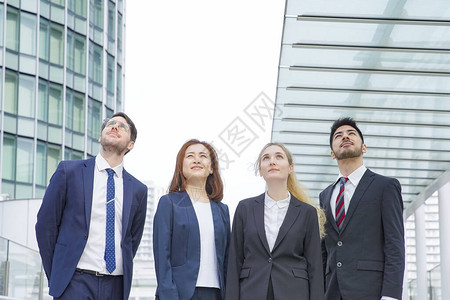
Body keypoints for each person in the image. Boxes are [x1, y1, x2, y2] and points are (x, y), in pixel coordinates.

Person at [35, 112, 148, 300]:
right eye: (110, 124)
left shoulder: (138, 190)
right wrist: (58, 275)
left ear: (131, 145)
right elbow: (45, 227)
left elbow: (131, 240)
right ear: (100, 136)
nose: (115, 127)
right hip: (74, 282)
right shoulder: (68, 172)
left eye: (123, 126)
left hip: (116, 286)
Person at [226, 143, 326, 300]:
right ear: (260, 170)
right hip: (251, 291)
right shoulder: (245, 208)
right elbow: (234, 261)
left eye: (279, 156)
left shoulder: (307, 212)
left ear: (290, 168)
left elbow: (315, 266)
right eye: (266, 158)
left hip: (294, 292)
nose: (272, 161)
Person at [320, 117, 405, 300]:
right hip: (332, 292)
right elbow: (325, 250)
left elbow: (394, 244)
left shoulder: (385, 186)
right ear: (332, 154)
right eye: (338, 135)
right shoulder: (325, 196)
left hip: (371, 291)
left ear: (364, 148)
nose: (345, 137)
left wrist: (391, 295)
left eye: (351, 133)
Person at [153, 139, 230, 300]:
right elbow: (162, 257)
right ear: (181, 167)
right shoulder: (169, 203)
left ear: (211, 168)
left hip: (216, 293)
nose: (197, 159)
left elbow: (227, 260)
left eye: (203, 156)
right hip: (180, 294)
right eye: (190, 156)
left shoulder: (222, 210)